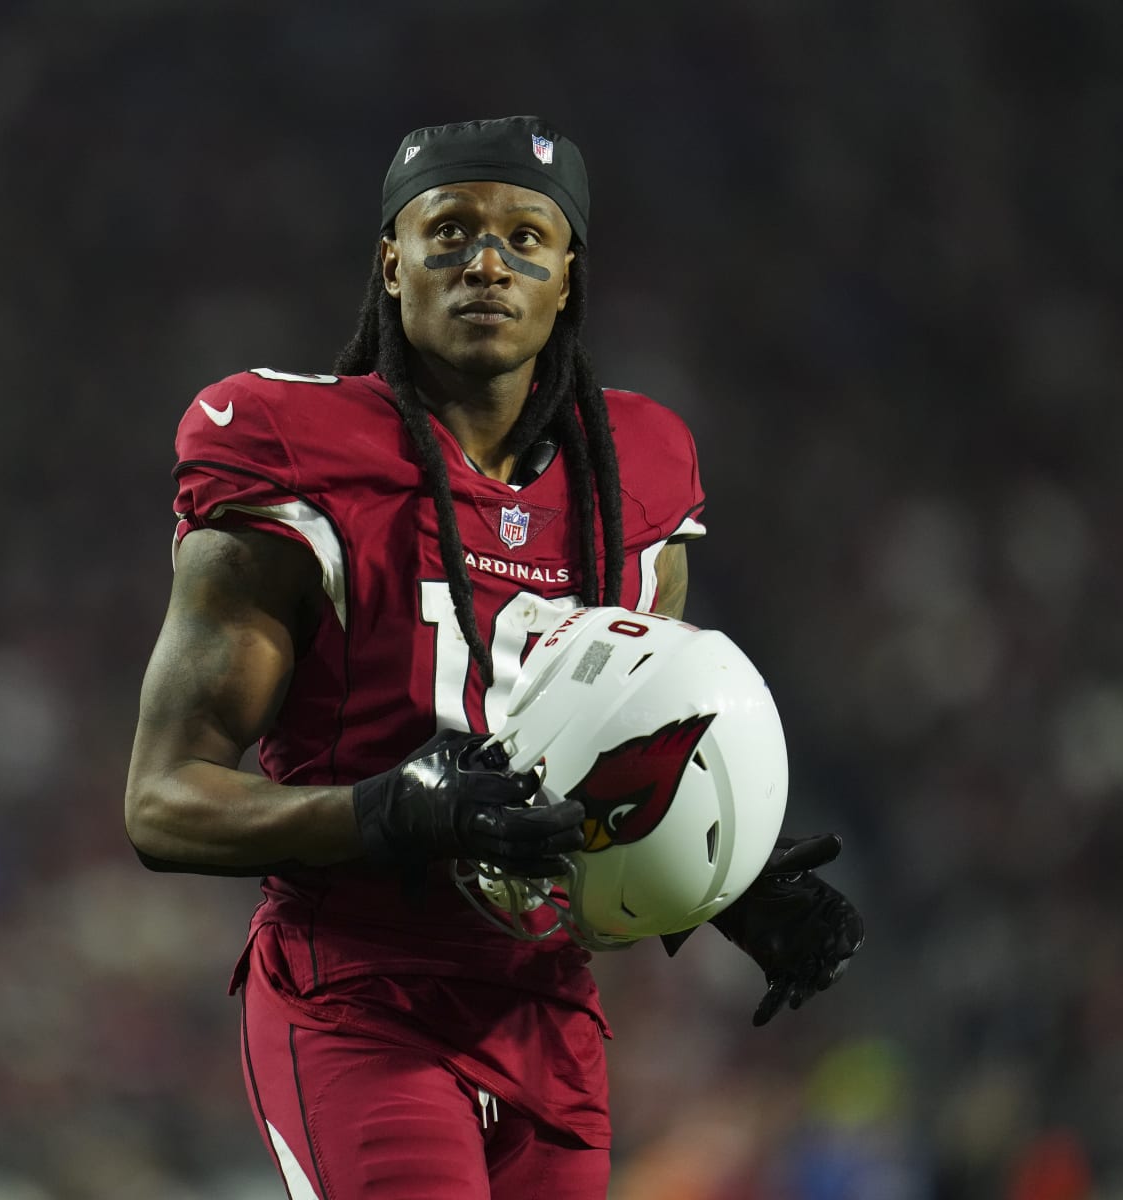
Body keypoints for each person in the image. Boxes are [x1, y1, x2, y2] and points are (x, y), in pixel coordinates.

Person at [124, 116, 863, 1199]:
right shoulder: (287, 446)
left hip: (547, 1014)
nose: (487, 261)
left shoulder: (639, 475)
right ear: (391, 261)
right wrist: (388, 812)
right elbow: (162, 803)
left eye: (527, 237)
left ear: (569, 277)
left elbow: (598, 766)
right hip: (358, 998)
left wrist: (720, 883)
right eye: (451, 231)